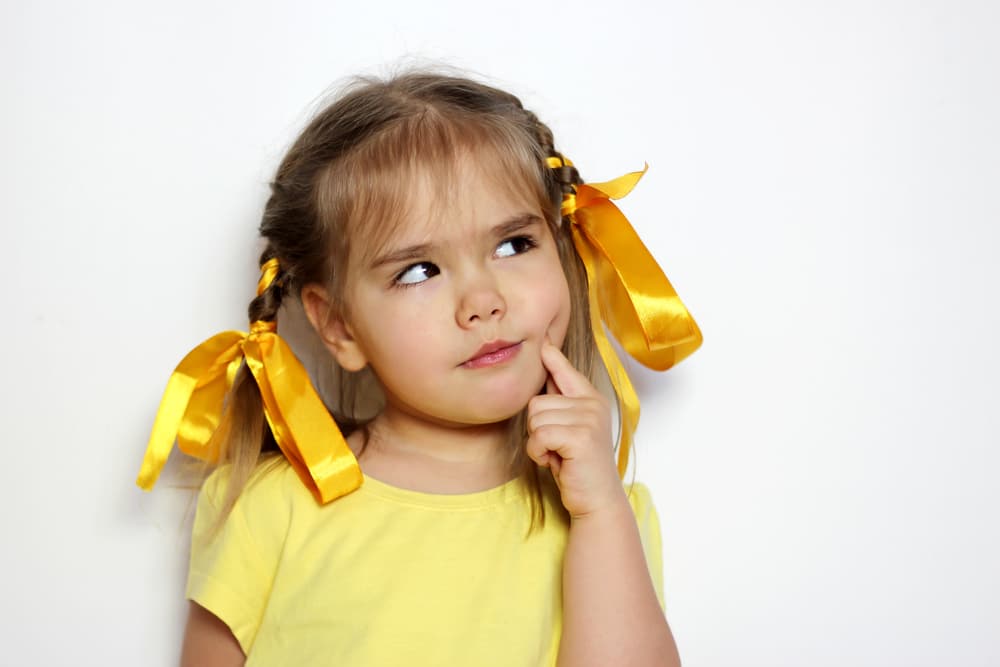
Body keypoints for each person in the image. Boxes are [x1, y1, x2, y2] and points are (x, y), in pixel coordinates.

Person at [136, 71, 702, 666]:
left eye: (512, 245)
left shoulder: (607, 517)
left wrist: (600, 513)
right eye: (419, 271)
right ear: (339, 327)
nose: (483, 301)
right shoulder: (269, 505)